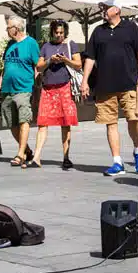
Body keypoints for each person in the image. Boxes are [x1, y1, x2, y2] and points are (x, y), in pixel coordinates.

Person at [81, 1, 138, 177]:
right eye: (102, 8)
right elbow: (90, 58)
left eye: (106, 8)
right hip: (105, 85)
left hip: (129, 82)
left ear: (117, 10)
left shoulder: (131, 27)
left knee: (133, 119)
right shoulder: (98, 31)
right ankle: (117, 161)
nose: (102, 10)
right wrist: (85, 81)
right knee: (110, 123)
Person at [33, 21, 81, 170]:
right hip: (48, 89)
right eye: (56, 32)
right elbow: (39, 66)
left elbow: (78, 64)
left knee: (65, 123)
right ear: (52, 32)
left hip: (65, 88)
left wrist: (65, 59)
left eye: (61, 32)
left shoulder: (71, 44)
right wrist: (50, 60)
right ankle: (36, 156)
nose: (59, 35)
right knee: (42, 122)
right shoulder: (46, 47)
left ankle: (66, 157)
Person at [0, 16, 40, 167]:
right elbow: (6, 66)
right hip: (7, 89)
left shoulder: (31, 43)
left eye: (9, 27)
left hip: (23, 88)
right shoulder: (10, 44)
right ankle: (27, 150)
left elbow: (38, 64)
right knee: (11, 122)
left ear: (16, 28)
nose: (7, 30)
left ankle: (20, 154)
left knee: (24, 119)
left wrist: (35, 78)